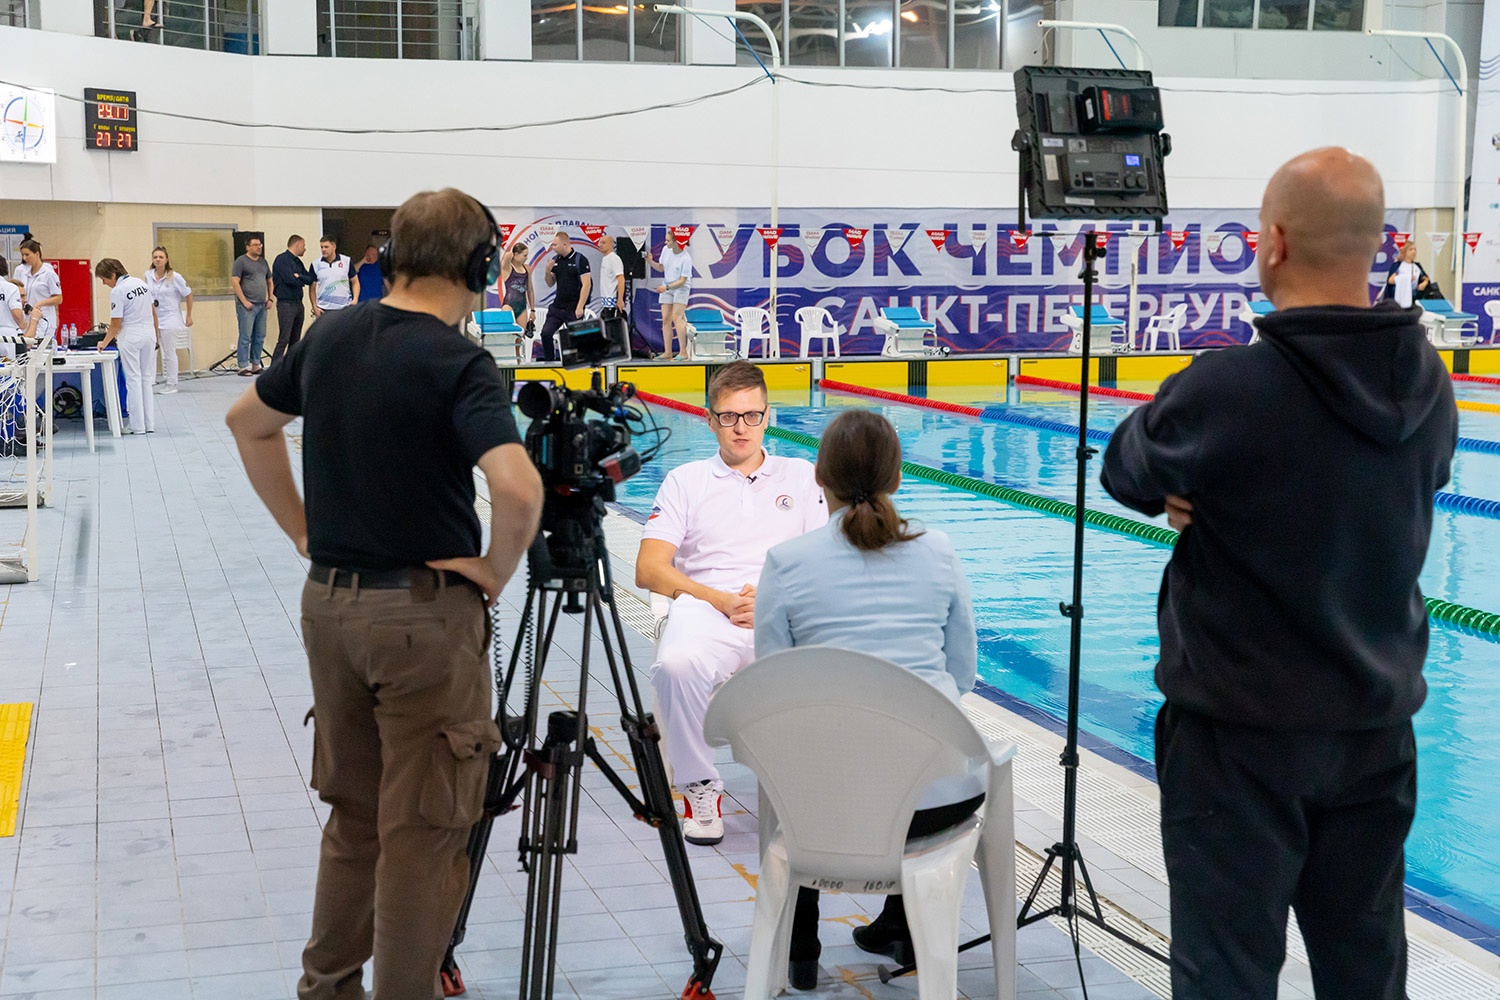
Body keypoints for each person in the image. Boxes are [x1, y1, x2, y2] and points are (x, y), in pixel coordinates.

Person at [1099, 147, 1458, 1000]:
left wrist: (1198, 486)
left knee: (1227, 977)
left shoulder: (1228, 388)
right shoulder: (1433, 385)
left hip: (1238, 742)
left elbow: (1126, 469)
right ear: (1377, 247)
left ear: (1275, 244)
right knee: (1365, 974)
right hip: (1374, 735)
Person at [224, 187, 544, 1000]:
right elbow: (518, 490)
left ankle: (327, 988)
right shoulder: (458, 360)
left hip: (329, 610)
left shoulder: (330, 334)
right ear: (478, 266)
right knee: (425, 833)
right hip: (419, 621)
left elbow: (246, 424)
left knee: (356, 819)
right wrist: (497, 571)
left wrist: (303, 533)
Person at [754, 408, 978, 989]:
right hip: (932, 806)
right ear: (898, 479)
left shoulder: (786, 563)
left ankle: (800, 945)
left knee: (803, 753)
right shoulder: (942, 552)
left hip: (823, 809)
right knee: (915, 744)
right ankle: (903, 922)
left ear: (818, 480)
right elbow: (962, 674)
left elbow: (773, 687)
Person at [636, 361, 826, 846]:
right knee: (675, 666)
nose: (741, 427)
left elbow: (825, 560)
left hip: (780, 609)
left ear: (769, 416)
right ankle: (700, 786)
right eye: (728, 416)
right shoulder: (686, 481)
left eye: (751, 415)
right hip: (705, 607)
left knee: (832, 664)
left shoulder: (802, 476)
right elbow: (649, 568)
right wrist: (718, 599)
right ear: (709, 419)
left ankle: (802, 786)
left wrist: (772, 598)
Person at [95, 259, 158, 435]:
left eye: (104, 279)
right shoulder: (141, 284)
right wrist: (156, 337)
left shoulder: (118, 291)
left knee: (133, 380)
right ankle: (149, 423)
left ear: (113, 275)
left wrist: (103, 343)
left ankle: (137, 426)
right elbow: (153, 313)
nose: (103, 283)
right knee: (146, 379)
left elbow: (116, 323)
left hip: (131, 335)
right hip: (149, 333)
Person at [144, 246, 193, 394]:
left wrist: (189, 315)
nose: (158, 259)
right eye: (155, 257)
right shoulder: (148, 275)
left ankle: (172, 384)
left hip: (170, 319)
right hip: (153, 318)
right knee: (151, 350)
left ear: (166, 259)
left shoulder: (175, 276)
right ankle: (149, 382)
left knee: (169, 351)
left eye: (160, 257)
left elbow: (189, 294)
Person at [539, 231, 591, 364]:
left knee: (578, 338)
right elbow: (550, 283)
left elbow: (586, 285)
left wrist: (580, 307)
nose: (553, 247)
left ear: (565, 244)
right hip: (557, 307)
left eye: (555, 245)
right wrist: (547, 271)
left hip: (573, 307)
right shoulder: (555, 260)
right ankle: (549, 363)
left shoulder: (580, 260)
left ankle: (580, 363)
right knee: (546, 333)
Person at [644, 232, 692, 359]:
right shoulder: (666, 250)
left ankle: (683, 352)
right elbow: (661, 268)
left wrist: (667, 287)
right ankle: (668, 352)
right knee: (666, 319)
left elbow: (682, 281)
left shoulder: (686, 258)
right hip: (667, 286)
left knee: (677, 318)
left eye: (668, 241)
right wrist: (650, 261)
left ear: (677, 242)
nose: (665, 243)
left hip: (681, 288)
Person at [271, 235, 317, 367]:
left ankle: (291, 367)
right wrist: (298, 279)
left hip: (298, 303)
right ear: (297, 244)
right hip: (286, 303)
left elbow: (310, 279)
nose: (305, 249)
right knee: (284, 338)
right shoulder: (282, 260)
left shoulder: (298, 262)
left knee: (295, 339)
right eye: (303, 246)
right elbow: (289, 280)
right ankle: (274, 368)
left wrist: (299, 276)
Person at [231, 236, 273, 375]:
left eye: (260, 244)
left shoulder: (263, 262)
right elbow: (235, 282)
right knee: (245, 336)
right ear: (248, 247)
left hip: (262, 305)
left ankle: (256, 364)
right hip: (247, 306)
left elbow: (269, 281)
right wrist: (244, 301)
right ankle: (243, 366)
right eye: (255, 245)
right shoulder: (241, 261)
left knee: (260, 336)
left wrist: (270, 298)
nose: (259, 247)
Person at [17, 239, 62, 346]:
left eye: (27, 255)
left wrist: (40, 303)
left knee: (40, 351)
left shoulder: (49, 274)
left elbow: (58, 298)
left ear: (37, 254)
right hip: (28, 319)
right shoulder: (22, 272)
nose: (24, 258)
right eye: (23, 255)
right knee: (26, 349)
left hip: (43, 319)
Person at [311, 236, 353, 319]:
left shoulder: (346, 261)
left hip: (343, 307)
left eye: (326, 247)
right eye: (321, 247)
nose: (323, 250)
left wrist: (355, 300)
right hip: (324, 308)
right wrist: (314, 306)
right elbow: (312, 288)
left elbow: (355, 282)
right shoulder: (315, 264)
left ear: (334, 246)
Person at [1382, 240, 1431, 307]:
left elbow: (1425, 278)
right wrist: (1407, 277)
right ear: (1404, 252)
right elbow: (1390, 280)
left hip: (1414, 298)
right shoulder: (1398, 266)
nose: (1413, 251)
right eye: (1410, 249)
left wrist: (1424, 283)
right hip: (1399, 297)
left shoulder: (1417, 266)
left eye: (1415, 249)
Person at [0, 259, 24, 360]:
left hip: (6, 332)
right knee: (6, 371)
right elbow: (16, 313)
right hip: (6, 334)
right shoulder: (10, 288)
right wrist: (23, 323)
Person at [598, 234, 625, 311]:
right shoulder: (605, 258)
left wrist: (620, 299)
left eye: (603, 243)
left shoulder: (614, 259)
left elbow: (621, 279)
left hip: (613, 301)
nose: (600, 245)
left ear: (611, 245)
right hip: (606, 301)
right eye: (600, 243)